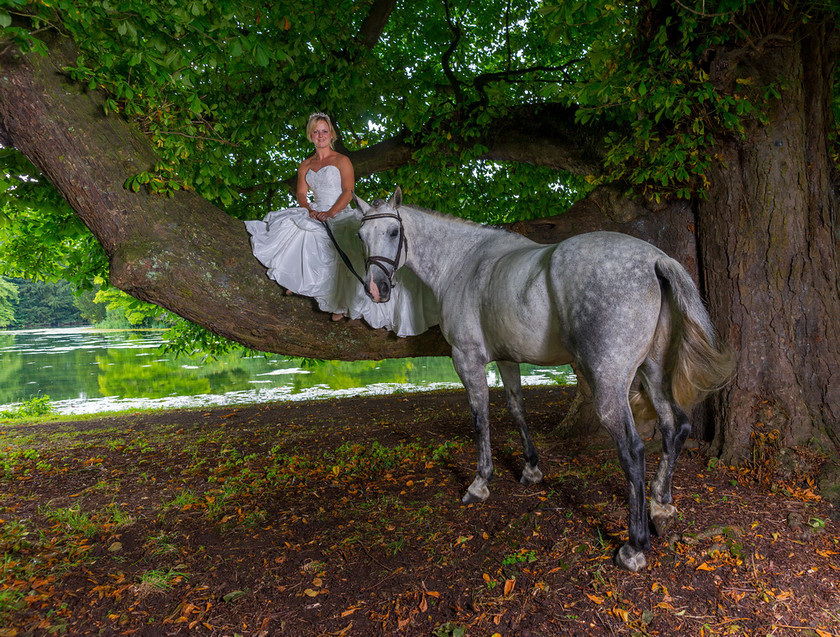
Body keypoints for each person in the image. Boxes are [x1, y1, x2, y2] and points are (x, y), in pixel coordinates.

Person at [245, 113, 439, 337]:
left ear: (331, 135)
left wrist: (330, 213)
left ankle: (345, 305)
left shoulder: (341, 161)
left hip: (339, 209)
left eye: (324, 131)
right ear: (310, 135)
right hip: (316, 210)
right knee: (296, 228)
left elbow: (348, 192)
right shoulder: (305, 165)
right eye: (316, 131)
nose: (320, 136)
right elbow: (301, 194)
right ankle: (297, 280)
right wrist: (310, 211)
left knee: (353, 244)